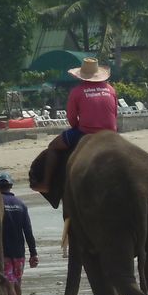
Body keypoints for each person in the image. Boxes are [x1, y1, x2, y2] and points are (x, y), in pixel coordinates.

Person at [33, 58, 117, 194]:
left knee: (53, 146)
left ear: (81, 75)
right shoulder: (111, 89)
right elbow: (115, 114)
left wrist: (78, 127)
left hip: (86, 132)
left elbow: (71, 118)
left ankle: (46, 184)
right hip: (111, 134)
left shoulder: (77, 91)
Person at [0, 172, 39, 295]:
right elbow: (28, 231)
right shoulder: (21, 204)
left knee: (9, 283)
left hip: (3, 251)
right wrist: (33, 253)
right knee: (17, 283)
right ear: (11, 186)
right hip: (19, 252)